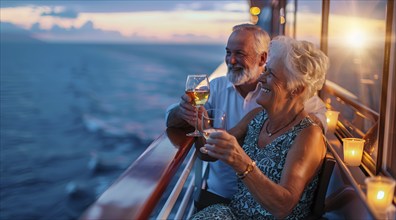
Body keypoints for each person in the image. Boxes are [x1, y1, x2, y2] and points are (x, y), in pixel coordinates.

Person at [165, 24, 327, 209]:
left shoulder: (299, 104)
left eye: (240, 54)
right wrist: (188, 114)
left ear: (263, 58)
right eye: (228, 53)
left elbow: (316, 124)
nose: (231, 60)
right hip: (225, 196)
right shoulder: (225, 93)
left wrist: (288, 122)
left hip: (263, 204)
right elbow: (209, 148)